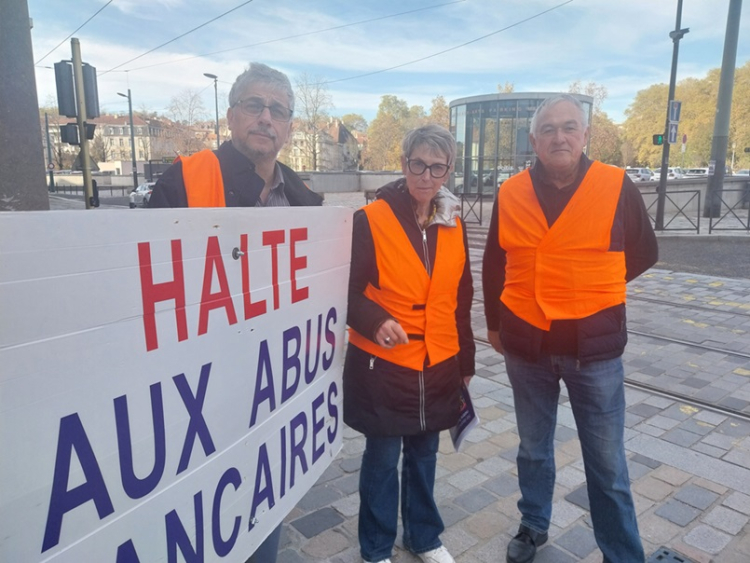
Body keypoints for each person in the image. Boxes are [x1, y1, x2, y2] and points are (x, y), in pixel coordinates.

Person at [149, 61, 322, 563]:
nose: (266, 118)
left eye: (279, 111)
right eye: (255, 105)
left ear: (289, 127)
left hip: (272, 392)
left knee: (262, 507)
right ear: (231, 116)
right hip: (201, 393)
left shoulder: (305, 201)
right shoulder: (183, 180)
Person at [482, 94, 657, 563]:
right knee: (533, 449)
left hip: (593, 350)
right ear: (535, 141)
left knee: (607, 464)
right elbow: (495, 262)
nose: (559, 136)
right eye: (548, 130)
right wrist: (494, 325)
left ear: (584, 135)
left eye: (569, 127)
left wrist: (592, 289)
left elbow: (644, 252)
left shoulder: (617, 185)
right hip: (527, 346)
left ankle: (621, 553)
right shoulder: (511, 191)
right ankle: (532, 525)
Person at [344, 124, 475, 563]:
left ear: (448, 170)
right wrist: (374, 318)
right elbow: (345, 290)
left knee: (425, 454)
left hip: (438, 362)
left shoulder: (453, 222)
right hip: (384, 364)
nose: (425, 176)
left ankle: (423, 537)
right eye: (417, 164)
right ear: (403, 164)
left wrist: (466, 361)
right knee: (382, 461)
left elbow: (462, 298)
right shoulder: (371, 219)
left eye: (437, 167)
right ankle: (377, 548)